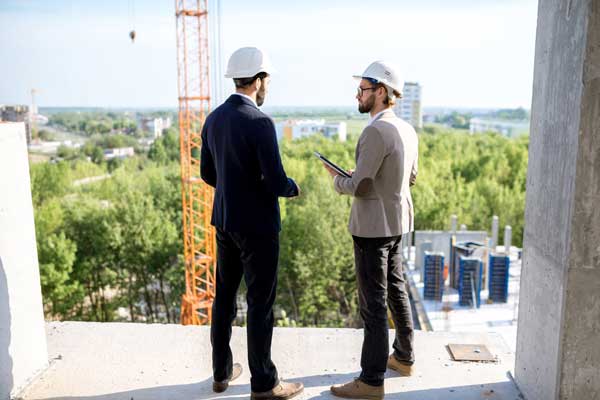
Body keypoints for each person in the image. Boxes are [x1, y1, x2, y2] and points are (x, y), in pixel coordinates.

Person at [200, 46, 304, 400]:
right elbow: (276, 181)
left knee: (224, 298)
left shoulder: (213, 119)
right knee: (260, 304)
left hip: (225, 221)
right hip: (258, 228)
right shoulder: (260, 122)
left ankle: (221, 372)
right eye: (267, 79)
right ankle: (264, 384)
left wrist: (234, 188)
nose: (267, 84)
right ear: (258, 80)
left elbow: (207, 173)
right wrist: (293, 188)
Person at [323, 61, 419, 400]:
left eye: (363, 89)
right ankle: (404, 357)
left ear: (381, 92)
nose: (358, 95)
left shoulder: (375, 131)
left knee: (373, 304)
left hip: (372, 228)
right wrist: (365, 175)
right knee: (396, 289)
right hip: (397, 222)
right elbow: (409, 178)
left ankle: (371, 380)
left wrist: (337, 179)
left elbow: (361, 187)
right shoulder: (407, 129)